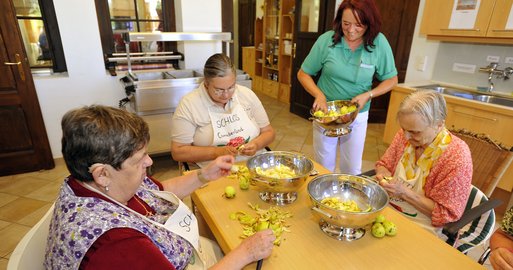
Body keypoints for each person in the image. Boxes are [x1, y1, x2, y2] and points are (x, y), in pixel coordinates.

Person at [45, 105, 275, 269]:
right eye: (140, 158)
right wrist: (247, 253)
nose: (150, 162)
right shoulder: (115, 245)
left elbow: (157, 192)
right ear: (102, 173)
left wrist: (203, 175)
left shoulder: (93, 183)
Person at [297, 0, 398, 174]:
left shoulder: (379, 43)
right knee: (323, 164)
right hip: (326, 113)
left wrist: (369, 94)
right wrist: (319, 95)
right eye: (346, 24)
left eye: (358, 25)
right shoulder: (326, 40)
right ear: (339, 21)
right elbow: (303, 74)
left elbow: (392, 79)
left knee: (351, 167)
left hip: (357, 115)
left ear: (369, 23)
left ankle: (345, 199)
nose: (351, 30)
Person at [374, 90, 472, 236]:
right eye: (403, 129)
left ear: (439, 124)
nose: (406, 136)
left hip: (423, 226)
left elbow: (445, 214)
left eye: (415, 132)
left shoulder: (456, 156)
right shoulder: (404, 135)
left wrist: (404, 193)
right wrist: (383, 175)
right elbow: (384, 164)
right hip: (388, 211)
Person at [171, 53, 275, 167]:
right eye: (219, 90)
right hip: (212, 169)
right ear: (206, 83)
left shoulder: (246, 94)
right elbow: (178, 152)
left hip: (253, 164)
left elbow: (269, 132)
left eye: (231, 87)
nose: (226, 95)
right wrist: (217, 152)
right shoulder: (189, 104)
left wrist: (256, 144)